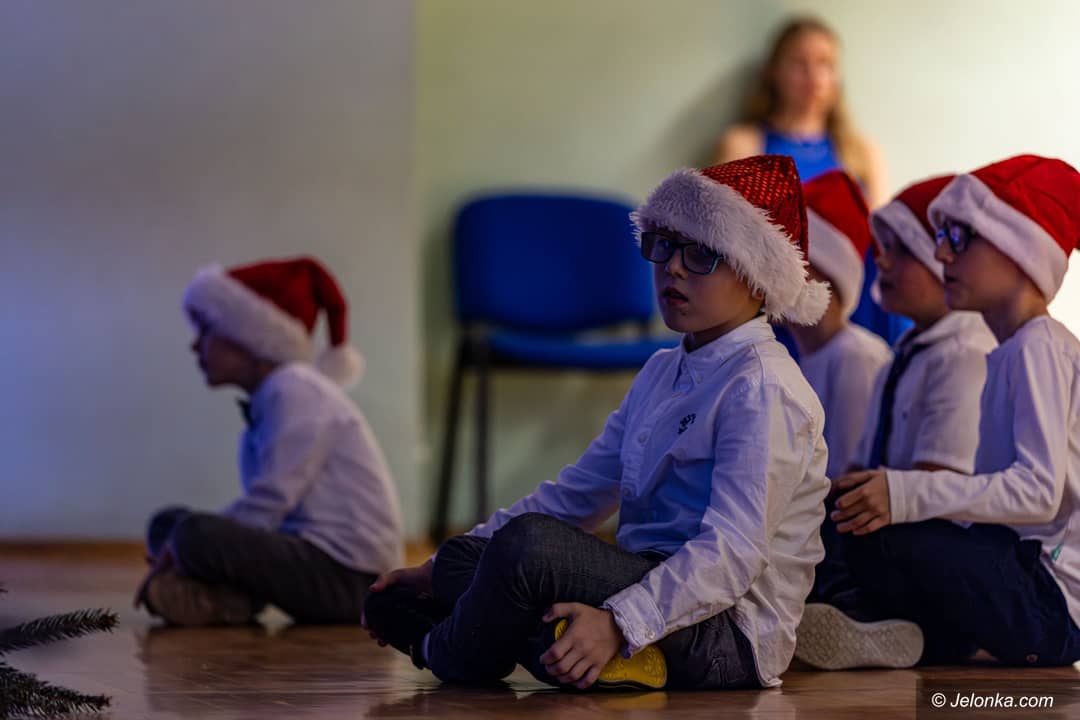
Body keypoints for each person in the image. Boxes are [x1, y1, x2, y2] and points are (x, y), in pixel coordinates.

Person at [362, 155, 831, 691]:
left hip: (727, 633)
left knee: (528, 548)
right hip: (642, 582)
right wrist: (433, 568)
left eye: (702, 253)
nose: (673, 267)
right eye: (664, 245)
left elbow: (733, 555)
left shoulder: (763, 387)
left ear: (759, 278)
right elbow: (576, 495)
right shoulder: (662, 370)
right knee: (463, 559)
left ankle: (441, 649)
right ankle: (587, 654)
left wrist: (619, 623)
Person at [798, 155, 1080, 671]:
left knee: (880, 531)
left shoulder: (1039, 347)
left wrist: (906, 495)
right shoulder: (1010, 349)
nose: (942, 253)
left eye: (959, 238)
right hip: (1017, 575)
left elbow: (1039, 493)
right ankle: (908, 636)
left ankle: (853, 612)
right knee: (861, 524)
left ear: (1020, 251)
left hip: (1051, 601)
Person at [135, 256, 404, 626]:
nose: (195, 346)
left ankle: (216, 597)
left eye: (206, 331)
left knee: (190, 533)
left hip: (353, 581)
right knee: (169, 524)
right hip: (315, 562)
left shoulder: (294, 389)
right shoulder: (272, 398)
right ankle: (226, 601)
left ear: (249, 337)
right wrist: (180, 543)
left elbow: (270, 504)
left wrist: (182, 547)